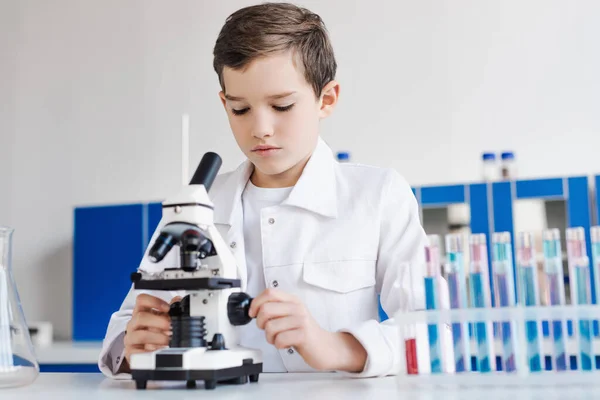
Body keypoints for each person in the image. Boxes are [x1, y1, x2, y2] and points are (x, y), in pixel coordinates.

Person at [98, 2, 427, 379]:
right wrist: (134, 345)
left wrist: (334, 346)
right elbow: (123, 331)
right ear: (224, 103)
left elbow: (432, 329)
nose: (261, 128)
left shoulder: (377, 195)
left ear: (327, 98)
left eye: (282, 105)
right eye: (240, 109)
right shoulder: (196, 208)